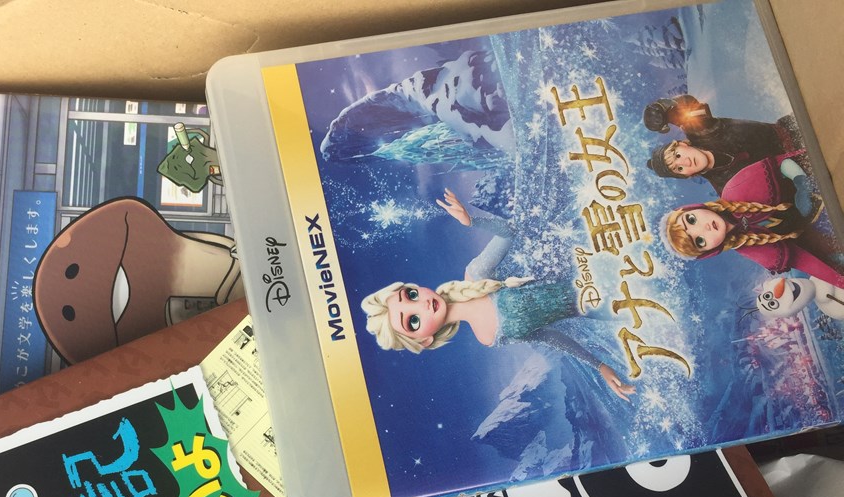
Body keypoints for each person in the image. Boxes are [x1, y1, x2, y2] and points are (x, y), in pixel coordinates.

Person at [361, 190, 635, 401]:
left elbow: (507, 232)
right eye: (413, 321)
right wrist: (599, 365)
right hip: (603, 308)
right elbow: (548, 336)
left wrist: (470, 221)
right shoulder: (488, 337)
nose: (420, 304)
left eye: (410, 295)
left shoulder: (475, 274)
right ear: (424, 340)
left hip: (591, 266)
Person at [661, 154, 844, 289]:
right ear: (710, 251)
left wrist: (801, 184)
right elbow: (807, 261)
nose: (704, 228)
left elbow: (783, 162)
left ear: (694, 208)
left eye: (691, 220)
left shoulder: (735, 189)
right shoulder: (751, 250)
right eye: (700, 241)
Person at [643, 93, 804, 194]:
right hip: (802, 168)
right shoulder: (726, 187)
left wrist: (664, 109)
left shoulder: (700, 130)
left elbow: (688, 106)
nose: (686, 162)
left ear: (682, 144)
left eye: (678, 155)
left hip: (793, 129)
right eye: (679, 169)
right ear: (686, 175)